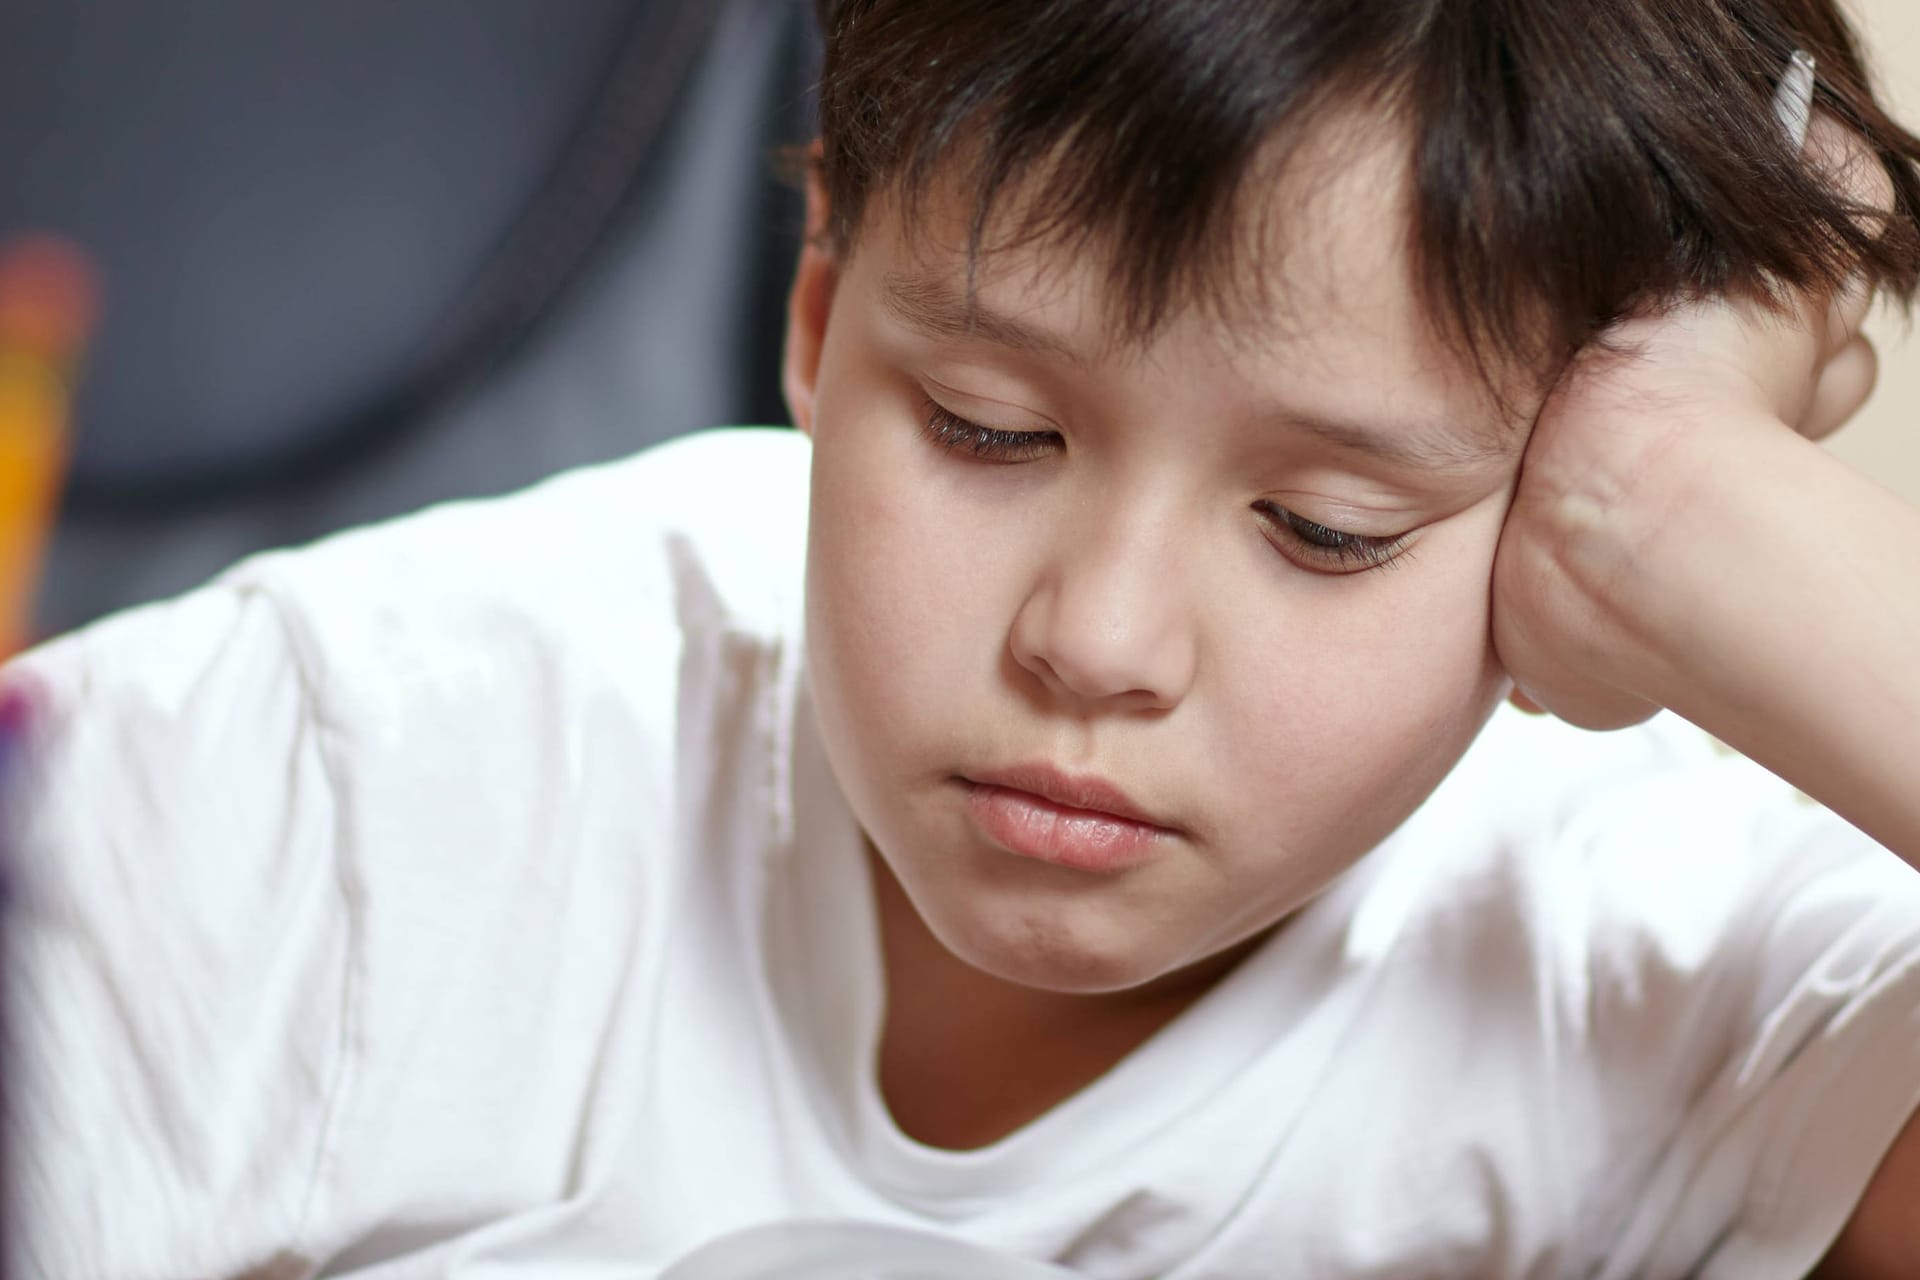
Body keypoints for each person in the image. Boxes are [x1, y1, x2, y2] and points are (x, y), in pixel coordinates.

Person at [8, 0, 1920, 1275]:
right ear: (825, 320)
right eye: (994, 432)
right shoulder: (355, 773)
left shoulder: (1669, 963)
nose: (1095, 642)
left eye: (1327, 529)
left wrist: (1688, 498)